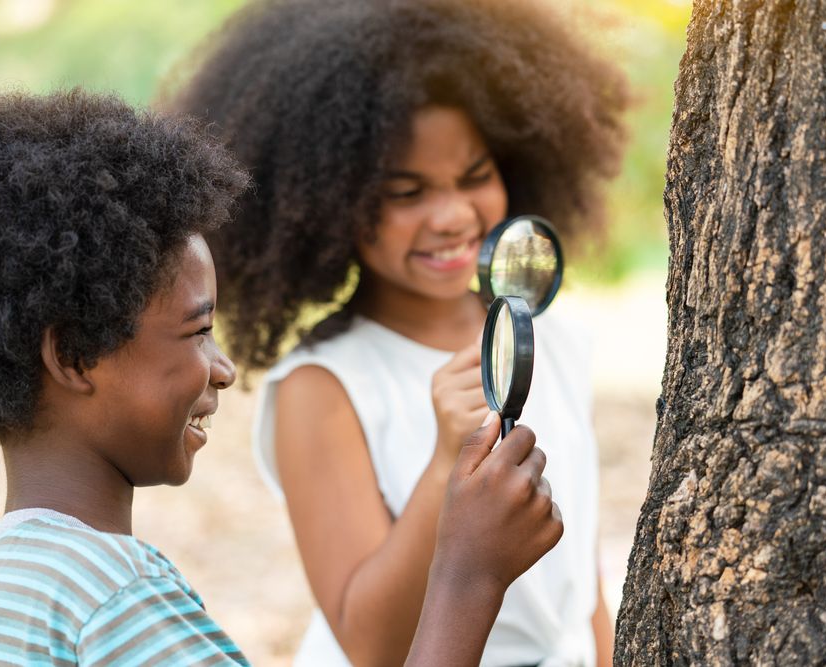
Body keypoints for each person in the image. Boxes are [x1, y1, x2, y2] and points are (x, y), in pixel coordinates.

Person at [0, 88, 562, 666]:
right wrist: (466, 579)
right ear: (75, 356)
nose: (223, 368)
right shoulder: (117, 600)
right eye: (197, 331)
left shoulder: (19, 573)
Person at [167, 0, 629, 665]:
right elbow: (371, 642)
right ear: (326, 202)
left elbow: (580, 587)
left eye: (474, 177)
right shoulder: (323, 386)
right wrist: (448, 460)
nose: (450, 215)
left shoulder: (550, 337)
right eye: (406, 193)